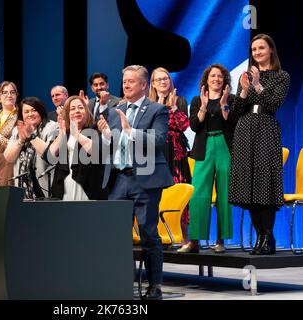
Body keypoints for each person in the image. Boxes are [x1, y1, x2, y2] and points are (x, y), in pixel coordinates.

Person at [98, 65, 174, 300]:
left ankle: (154, 287)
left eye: (131, 81)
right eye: (124, 81)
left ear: (143, 85)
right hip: (118, 180)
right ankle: (118, 284)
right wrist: (107, 137)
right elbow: (110, 148)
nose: (126, 85)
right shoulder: (113, 110)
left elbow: (159, 141)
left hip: (145, 181)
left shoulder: (157, 109)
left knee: (148, 234)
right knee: (114, 235)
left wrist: (131, 132)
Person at [229, 34, 290, 255]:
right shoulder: (244, 76)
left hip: (266, 128)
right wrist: (244, 89)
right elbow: (236, 111)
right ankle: (259, 238)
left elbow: (274, 105)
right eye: (254, 49)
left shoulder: (281, 76)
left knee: (263, 183)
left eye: (261, 48)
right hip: (245, 130)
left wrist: (257, 85)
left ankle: (268, 237)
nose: (256, 53)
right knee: (249, 186)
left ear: (271, 50)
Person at [178, 64, 236, 254]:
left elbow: (231, 122)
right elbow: (194, 126)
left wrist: (224, 103)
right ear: (206, 79)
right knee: (198, 195)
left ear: (224, 80)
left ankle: (221, 240)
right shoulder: (196, 100)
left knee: (224, 194)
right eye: (213, 76)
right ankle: (195, 240)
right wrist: (203, 107)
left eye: (220, 76)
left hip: (224, 146)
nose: (216, 79)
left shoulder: (231, 99)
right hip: (203, 148)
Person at [149, 67, 191, 244]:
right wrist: (159, 105)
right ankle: (158, 234)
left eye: (165, 79)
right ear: (152, 84)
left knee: (179, 191)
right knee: (156, 194)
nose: (162, 82)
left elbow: (183, 125)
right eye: (158, 80)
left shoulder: (180, 100)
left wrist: (172, 107)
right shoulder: (148, 103)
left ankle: (184, 236)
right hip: (156, 153)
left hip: (176, 153)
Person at [43, 95, 107, 200]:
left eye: (80, 108)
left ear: (86, 112)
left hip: (87, 186)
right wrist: (62, 134)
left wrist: (76, 134)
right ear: (67, 114)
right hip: (65, 184)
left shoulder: (95, 130)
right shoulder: (64, 134)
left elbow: (97, 153)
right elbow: (50, 156)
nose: (77, 111)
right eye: (72, 109)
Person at [4, 97, 58, 199]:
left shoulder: (52, 127)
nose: (30, 114)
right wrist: (20, 140)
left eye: (34, 110)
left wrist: (31, 136)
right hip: (23, 191)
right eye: (26, 111)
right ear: (22, 115)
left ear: (41, 111)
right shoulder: (17, 130)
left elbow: (50, 156)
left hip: (45, 189)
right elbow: (8, 157)